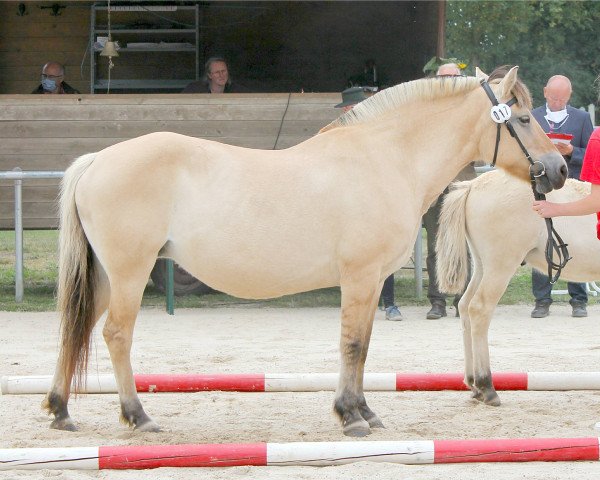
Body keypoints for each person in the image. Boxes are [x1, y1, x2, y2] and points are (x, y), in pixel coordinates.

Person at [335, 86, 403, 321]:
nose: (350, 111)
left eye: (353, 108)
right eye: (348, 108)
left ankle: (390, 303)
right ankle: (358, 304)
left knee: (381, 256)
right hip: (344, 201)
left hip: (371, 200)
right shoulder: (334, 134)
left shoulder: (376, 135)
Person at [529, 75, 594, 319]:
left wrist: (572, 151)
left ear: (570, 96)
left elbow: (590, 152)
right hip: (543, 186)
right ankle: (542, 299)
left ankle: (578, 299)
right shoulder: (532, 117)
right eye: (554, 97)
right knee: (543, 240)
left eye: (562, 98)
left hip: (573, 187)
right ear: (545, 92)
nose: (557, 102)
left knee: (574, 240)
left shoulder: (581, 118)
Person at [422, 63, 476, 319]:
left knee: (461, 244)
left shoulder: (472, 107)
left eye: (454, 76)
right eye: (445, 77)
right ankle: (437, 301)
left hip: (460, 185)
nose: (450, 81)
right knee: (435, 245)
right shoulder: (426, 109)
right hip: (433, 186)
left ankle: (461, 300)